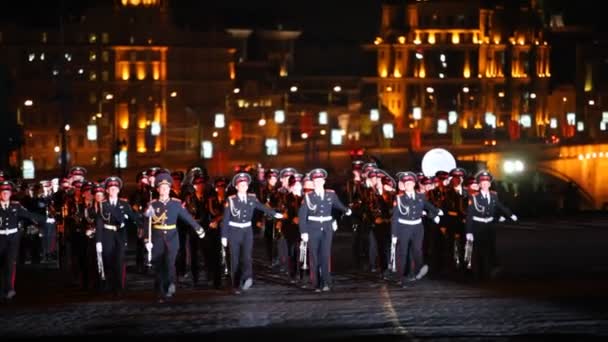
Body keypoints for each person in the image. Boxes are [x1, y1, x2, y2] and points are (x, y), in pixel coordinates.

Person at [144, 172, 205, 302]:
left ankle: (169, 286)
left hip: (172, 237)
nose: (164, 190)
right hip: (157, 238)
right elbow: (146, 223)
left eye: (166, 188)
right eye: (161, 188)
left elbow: (187, 217)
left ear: (170, 189)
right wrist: (146, 239)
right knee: (159, 265)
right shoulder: (152, 204)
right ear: (157, 189)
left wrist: (197, 228)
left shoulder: (176, 204)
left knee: (170, 263)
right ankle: (159, 291)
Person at [221, 172, 283, 294]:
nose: (244, 187)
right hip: (234, 231)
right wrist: (224, 235)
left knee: (247, 256)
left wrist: (274, 214)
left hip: (247, 231)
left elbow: (262, 207)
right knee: (235, 258)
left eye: (245, 184)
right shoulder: (231, 200)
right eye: (241, 185)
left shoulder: (251, 198)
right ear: (237, 187)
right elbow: (226, 219)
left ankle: (247, 277)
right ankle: (235, 284)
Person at [298, 168, 351, 292]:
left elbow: (338, 205)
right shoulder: (308, 197)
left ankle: (326, 282)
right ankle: (316, 283)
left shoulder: (330, 194)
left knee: (325, 256)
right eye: (315, 181)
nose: (318, 183)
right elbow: (302, 216)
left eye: (320, 180)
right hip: (313, 229)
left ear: (324, 181)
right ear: (313, 183)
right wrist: (304, 232)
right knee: (314, 257)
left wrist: (346, 210)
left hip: (327, 229)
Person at [0, 180, 53, 301]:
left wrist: (45, 220)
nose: (5, 195)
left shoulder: (15, 206)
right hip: (0, 238)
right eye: (3, 192)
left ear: (10, 194)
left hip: (12, 239)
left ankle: (9, 290)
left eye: (7, 193)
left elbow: (29, 215)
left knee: (9, 264)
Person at [391, 172, 442, 287]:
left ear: (414, 184)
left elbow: (428, 206)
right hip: (404, 228)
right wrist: (394, 234)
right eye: (406, 183)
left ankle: (416, 271)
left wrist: (436, 212)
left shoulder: (420, 196)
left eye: (410, 183)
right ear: (403, 185)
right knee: (402, 253)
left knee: (417, 250)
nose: (409, 185)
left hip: (418, 228)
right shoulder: (399, 198)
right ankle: (400, 278)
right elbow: (395, 218)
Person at [465, 170, 517, 280]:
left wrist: (510, 215)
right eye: (482, 183)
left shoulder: (493, 196)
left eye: (487, 183)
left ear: (489, 184)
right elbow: (469, 215)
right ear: (479, 184)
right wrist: (469, 231)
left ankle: (488, 272)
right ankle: (477, 274)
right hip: (477, 226)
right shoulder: (474, 197)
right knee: (477, 251)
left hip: (489, 226)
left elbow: (500, 206)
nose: (485, 185)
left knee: (489, 249)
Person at [94, 176, 140, 296]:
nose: (113, 191)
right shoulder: (102, 205)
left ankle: (119, 288)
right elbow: (99, 223)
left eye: (115, 188)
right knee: (108, 260)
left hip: (120, 235)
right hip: (107, 235)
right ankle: (109, 286)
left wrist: (142, 221)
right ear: (107, 191)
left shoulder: (124, 204)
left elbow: (133, 217)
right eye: (111, 189)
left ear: (119, 190)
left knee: (119, 262)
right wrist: (98, 241)